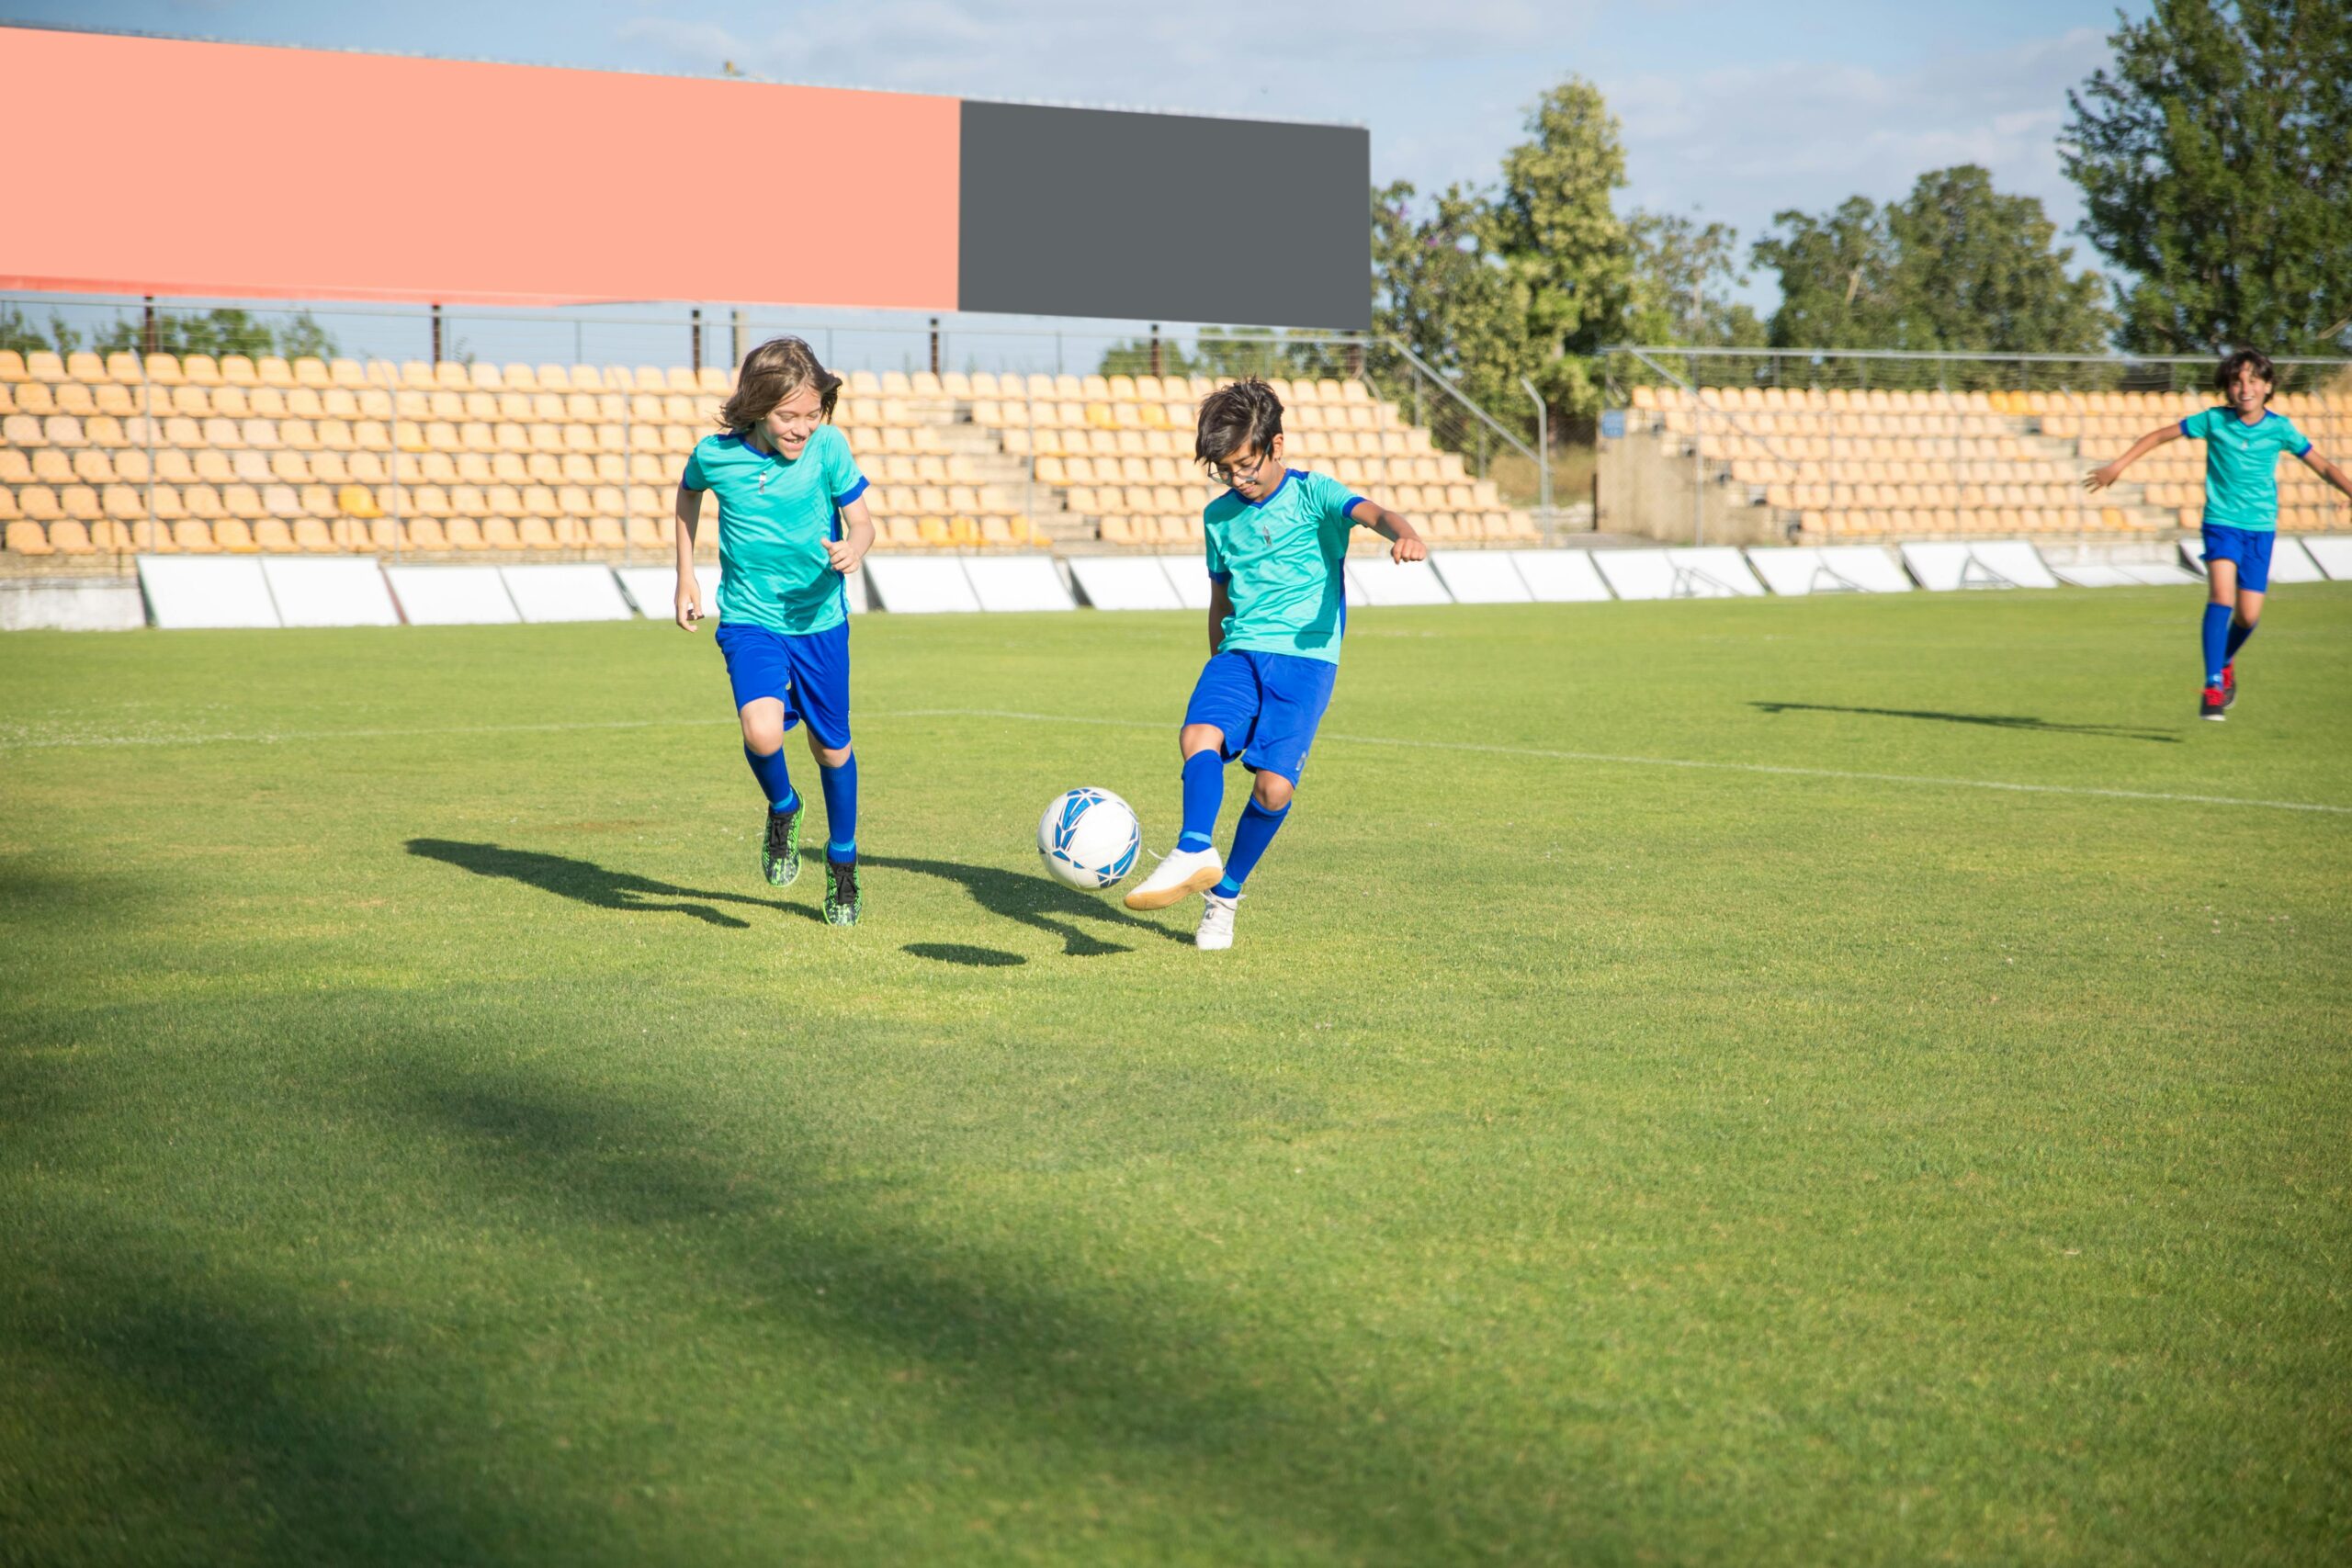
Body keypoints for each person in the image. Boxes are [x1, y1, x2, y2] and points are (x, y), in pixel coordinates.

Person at [1123, 377, 1429, 949]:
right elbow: (1221, 596)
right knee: (1198, 734)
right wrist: (1217, 656)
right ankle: (1193, 848)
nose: (1237, 478)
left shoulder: (1315, 493)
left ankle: (1225, 898)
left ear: (1276, 446)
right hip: (1239, 652)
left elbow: (1375, 512)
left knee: (1273, 791)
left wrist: (1405, 532)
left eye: (1244, 465)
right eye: (1224, 470)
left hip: (1307, 662)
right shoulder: (1218, 518)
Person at [673, 337, 875, 922]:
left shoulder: (830, 449)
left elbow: (861, 522)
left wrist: (853, 550)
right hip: (749, 619)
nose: (802, 428)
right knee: (762, 734)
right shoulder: (716, 455)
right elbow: (687, 495)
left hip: (819, 624)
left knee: (830, 748)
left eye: (813, 415)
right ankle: (783, 809)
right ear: (758, 405)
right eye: (790, 416)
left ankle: (842, 865)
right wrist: (686, 578)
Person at [2086, 349, 2352, 721]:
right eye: (2236, 381)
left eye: (2253, 380)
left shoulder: (2280, 429)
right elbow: (2161, 435)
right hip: (2221, 522)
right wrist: (2118, 465)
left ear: (2268, 386)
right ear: (2228, 388)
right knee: (2222, 596)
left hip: (2260, 530)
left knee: (2248, 615)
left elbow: (2322, 465)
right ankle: (2213, 685)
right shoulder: (2213, 420)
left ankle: (2225, 661)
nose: (2245, 387)